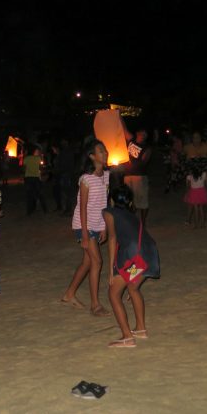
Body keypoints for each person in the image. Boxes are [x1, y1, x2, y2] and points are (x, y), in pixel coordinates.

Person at [102, 186, 160, 348]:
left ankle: (127, 337)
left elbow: (112, 239)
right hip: (149, 253)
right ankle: (140, 329)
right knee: (133, 288)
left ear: (112, 199)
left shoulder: (109, 212)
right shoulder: (132, 215)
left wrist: (112, 269)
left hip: (136, 258)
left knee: (113, 293)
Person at [60, 140, 111, 317]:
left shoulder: (106, 175)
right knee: (97, 261)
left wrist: (104, 226)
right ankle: (95, 305)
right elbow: (82, 207)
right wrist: (83, 233)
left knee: (88, 262)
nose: (105, 153)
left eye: (105, 150)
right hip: (84, 224)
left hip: (97, 224)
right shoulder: (86, 179)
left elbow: (104, 203)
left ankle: (69, 294)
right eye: (101, 151)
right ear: (92, 156)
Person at [124, 129, 152, 225]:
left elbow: (144, 162)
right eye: (142, 133)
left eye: (145, 134)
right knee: (130, 199)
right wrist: (118, 115)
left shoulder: (146, 147)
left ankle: (142, 223)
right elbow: (123, 128)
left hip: (139, 176)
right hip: (127, 175)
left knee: (142, 200)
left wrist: (134, 162)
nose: (143, 135)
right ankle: (132, 221)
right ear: (137, 133)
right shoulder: (131, 141)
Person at [23, 145, 48, 215]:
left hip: (28, 178)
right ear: (35, 151)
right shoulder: (38, 159)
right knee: (39, 194)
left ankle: (29, 211)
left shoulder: (27, 158)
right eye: (38, 151)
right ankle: (45, 209)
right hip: (36, 178)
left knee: (29, 195)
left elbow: (23, 168)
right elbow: (41, 167)